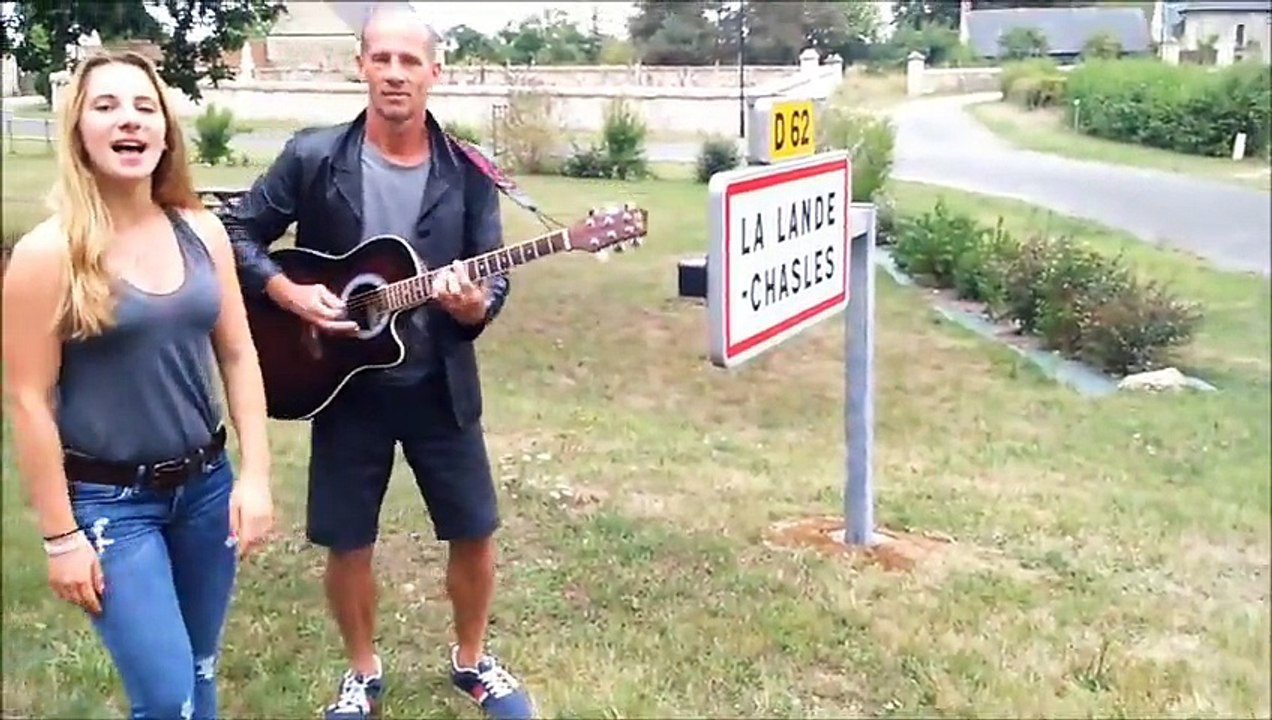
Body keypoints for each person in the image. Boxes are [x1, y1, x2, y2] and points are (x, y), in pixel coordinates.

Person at [222, 4, 533, 719]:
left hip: (439, 385)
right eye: (382, 59)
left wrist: (471, 305)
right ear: (360, 65)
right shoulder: (313, 156)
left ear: (434, 73)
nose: (395, 74)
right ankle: (362, 672)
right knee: (348, 538)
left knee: (474, 529)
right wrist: (285, 290)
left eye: (410, 61)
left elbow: (495, 274)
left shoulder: (470, 171)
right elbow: (235, 227)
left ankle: (472, 659)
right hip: (341, 380)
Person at [0, 51, 275, 716]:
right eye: (107, 106)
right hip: (110, 506)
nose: (129, 120)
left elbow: (238, 353)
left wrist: (256, 475)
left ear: (165, 131)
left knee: (200, 672)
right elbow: (28, 400)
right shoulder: (47, 254)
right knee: (167, 696)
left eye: (144, 107)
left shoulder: (200, 230)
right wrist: (61, 538)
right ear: (78, 132)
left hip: (206, 491)